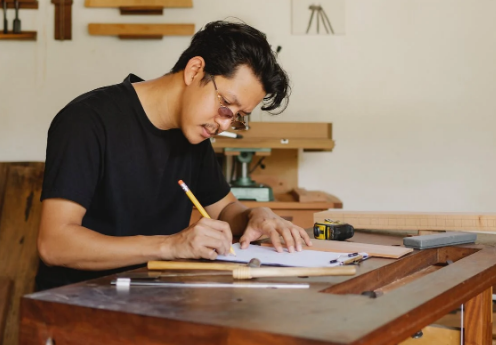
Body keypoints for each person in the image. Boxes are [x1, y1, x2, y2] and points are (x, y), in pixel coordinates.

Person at [36, 20, 312, 291]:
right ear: (194, 71)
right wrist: (171, 245)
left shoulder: (193, 133)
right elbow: (54, 244)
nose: (225, 124)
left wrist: (256, 215)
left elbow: (225, 210)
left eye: (238, 117)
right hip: (78, 306)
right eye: (227, 106)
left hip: (155, 302)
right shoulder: (87, 121)